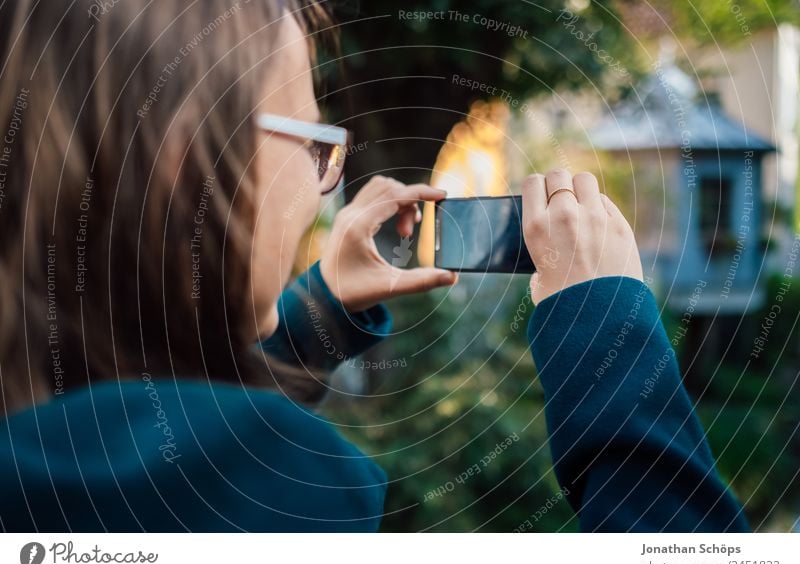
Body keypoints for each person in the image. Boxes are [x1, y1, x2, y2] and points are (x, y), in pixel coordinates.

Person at [0, 0, 746, 532]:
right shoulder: (286, 493)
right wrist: (608, 335)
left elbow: (140, 414)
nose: (328, 180)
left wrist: (313, 316)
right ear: (183, 157)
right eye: (315, 143)